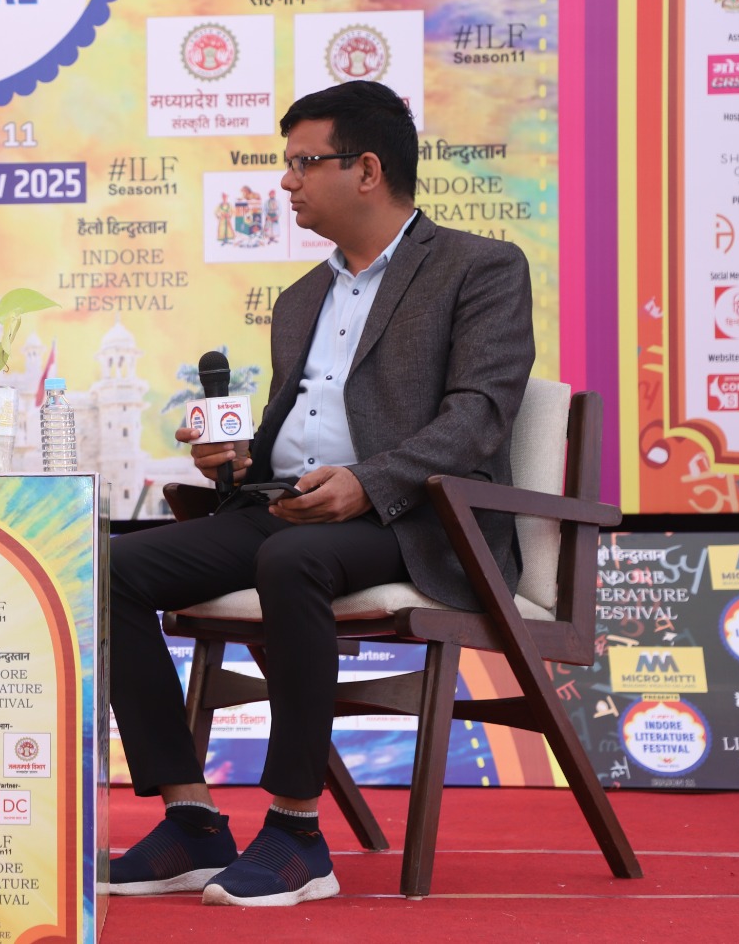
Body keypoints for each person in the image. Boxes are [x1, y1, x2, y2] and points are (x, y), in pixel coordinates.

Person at [108, 80, 533, 907]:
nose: (287, 182)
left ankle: (298, 834)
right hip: (288, 505)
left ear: (367, 169)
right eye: (288, 164)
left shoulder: (478, 268)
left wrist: (368, 482)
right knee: (111, 569)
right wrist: (235, 462)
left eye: (304, 163)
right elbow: (295, 427)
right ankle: (191, 819)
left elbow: (480, 416)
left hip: (416, 518)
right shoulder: (303, 296)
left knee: (294, 559)